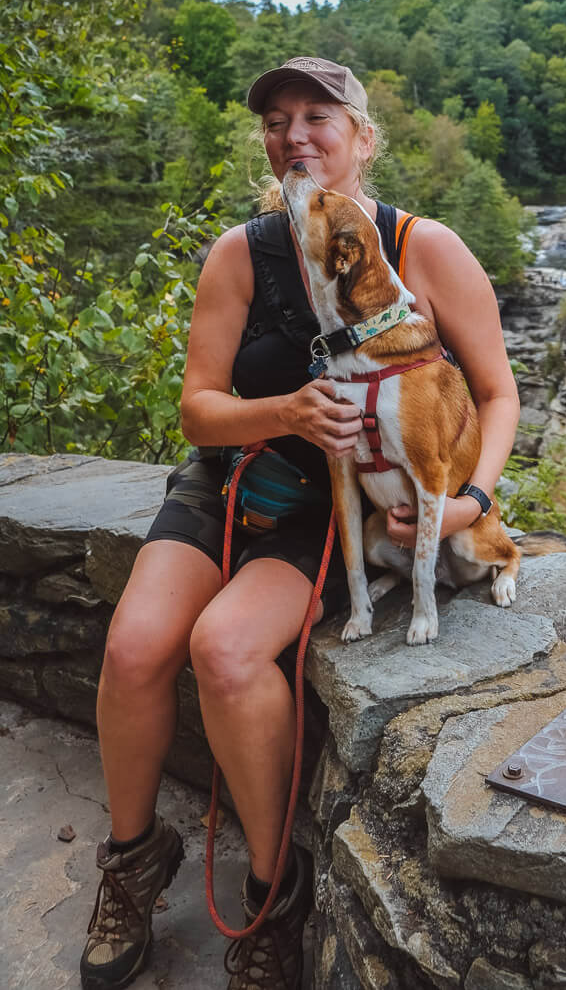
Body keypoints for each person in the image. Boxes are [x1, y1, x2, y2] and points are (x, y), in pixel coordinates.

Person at [81, 56, 520, 990]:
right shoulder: (242, 253)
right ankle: (131, 859)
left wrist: (472, 503)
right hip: (232, 476)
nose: (296, 134)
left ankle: (275, 895)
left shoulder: (422, 246)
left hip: (329, 507)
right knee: (133, 649)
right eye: (278, 120)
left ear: (364, 138)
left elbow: (497, 392)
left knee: (229, 654)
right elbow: (200, 408)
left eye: (320, 115)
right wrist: (281, 412)